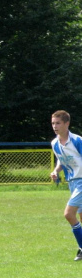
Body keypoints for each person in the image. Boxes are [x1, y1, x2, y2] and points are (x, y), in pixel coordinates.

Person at [50, 110, 82, 261]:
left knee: (68, 214)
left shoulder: (77, 141)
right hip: (73, 182)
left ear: (67, 124)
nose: (54, 126)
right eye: (53, 123)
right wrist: (56, 171)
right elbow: (61, 161)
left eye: (58, 123)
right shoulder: (55, 143)